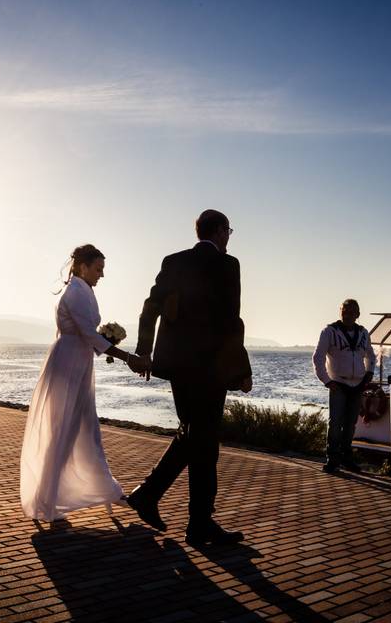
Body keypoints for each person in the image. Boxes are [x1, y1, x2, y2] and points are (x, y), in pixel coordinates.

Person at [127, 210, 252, 546]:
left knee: (198, 438)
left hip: (178, 366)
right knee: (203, 440)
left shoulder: (174, 261)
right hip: (209, 368)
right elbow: (231, 321)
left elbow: (150, 307)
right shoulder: (229, 265)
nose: (230, 237)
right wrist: (241, 370)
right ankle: (170, 507)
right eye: (229, 230)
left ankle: (187, 516)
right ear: (218, 231)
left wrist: (144, 351)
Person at [20, 244, 142, 522]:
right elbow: (88, 334)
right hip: (68, 365)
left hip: (78, 362)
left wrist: (107, 343)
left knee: (85, 428)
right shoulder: (75, 292)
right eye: (98, 269)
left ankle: (104, 490)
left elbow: (88, 336)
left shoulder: (82, 290)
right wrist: (125, 356)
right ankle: (48, 498)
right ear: (82, 266)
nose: (101, 274)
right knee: (63, 429)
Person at [312, 298, 376, 473]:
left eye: (351, 312)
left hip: (357, 385)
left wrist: (369, 373)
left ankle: (347, 458)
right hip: (338, 384)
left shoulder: (364, 333)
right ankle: (332, 460)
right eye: (344, 311)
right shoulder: (329, 331)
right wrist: (327, 381)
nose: (347, 314)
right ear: (340, 313)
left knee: (351, 424)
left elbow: (370, 355)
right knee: (335, 423)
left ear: (358, 314)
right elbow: (318, 358)